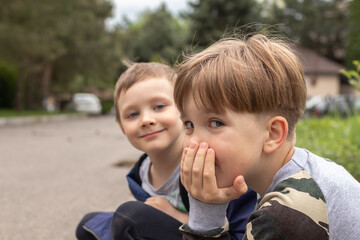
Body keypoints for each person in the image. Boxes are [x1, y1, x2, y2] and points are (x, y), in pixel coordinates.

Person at [173, 34, 360, 240]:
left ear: (272, 134)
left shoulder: (289, 210)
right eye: (188, 124)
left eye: (216, 123)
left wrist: (205, 213)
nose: (193, 142)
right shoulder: (302, 173)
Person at [75, 62, 257, 240]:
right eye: (132, 114)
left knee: (129, 216)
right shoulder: (141, 173)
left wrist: (175, 215)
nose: (146, 119)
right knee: (89, 224)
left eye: (159, 107)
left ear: (184, 112)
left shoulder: (210, 162)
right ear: (122, 127)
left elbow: (239, 232)